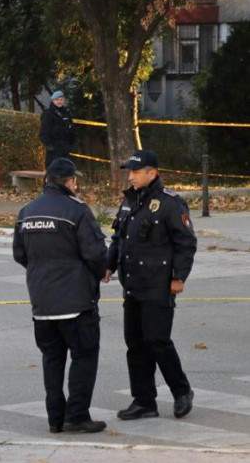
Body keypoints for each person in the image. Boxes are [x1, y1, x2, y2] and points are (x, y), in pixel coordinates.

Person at [13, 157, 109, 434]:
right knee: (84, 355)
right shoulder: (77, 210)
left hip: (41, 302)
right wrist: (102, 270)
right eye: (74, 180)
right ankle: (77, 415)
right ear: (69, 182)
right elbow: (94, 253)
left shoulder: (26, 212)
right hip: (76, 301)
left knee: (52, 358)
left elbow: (20, 254)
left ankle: (55, 418)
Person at [107, 149, 197, 421]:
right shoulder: (129, 201)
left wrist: (179, 277)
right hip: (133, 284)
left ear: (152, 173)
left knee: (157, 341)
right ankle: (144, 400)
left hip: (159, 285)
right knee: (135, 344)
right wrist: (109, 265)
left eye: (136, 172)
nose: (131, 176)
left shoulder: (170, 203)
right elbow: (118, 238)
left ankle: (182, 391)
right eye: (129, 172)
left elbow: (186, 243)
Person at [39, 90, 75, 169]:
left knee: (65, 171)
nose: (59, 102)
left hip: (65, 149)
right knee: (53, 171)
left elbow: (71, 130)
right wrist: (49, 145)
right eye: (57, 100)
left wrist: (71, 145)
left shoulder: (66, 114)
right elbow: (44, 131)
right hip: (54, 149)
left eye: (61, 99)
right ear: (53, 101)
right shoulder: (48, 114)